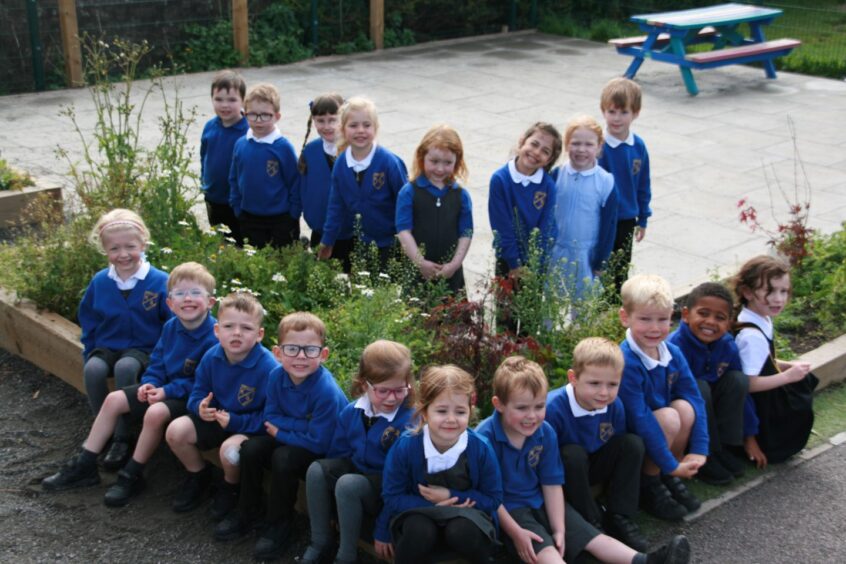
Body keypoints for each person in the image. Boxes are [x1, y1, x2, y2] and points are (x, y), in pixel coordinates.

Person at [478, 356, 690, 564]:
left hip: (540, 499)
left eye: (539, 406)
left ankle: (645, 560)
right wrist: (516, 533)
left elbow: (551, 484)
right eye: (522, 408)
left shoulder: (545, 432)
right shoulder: (485, 439)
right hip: (510, 511)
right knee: (549, 554)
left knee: (593, 537)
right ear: (499, 404)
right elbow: (489, 496)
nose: (532, 416)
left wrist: (559, 528)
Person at [42, 262, 218, 507]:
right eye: (179, 294)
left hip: (190, 397)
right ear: (169, 303)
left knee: (155, 413)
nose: (187, 299)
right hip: (162, 388)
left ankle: (132, 473)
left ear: (210, 302)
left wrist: (166, 390)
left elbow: (203, 382)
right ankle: (85, 464)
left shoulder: (214, 337)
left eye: (196, 293)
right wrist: (149, 383)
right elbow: (157, 361)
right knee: (114, 399)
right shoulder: (171, 326)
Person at [214, 312, 347, 561]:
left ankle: (279, 524)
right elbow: (271, 415)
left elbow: (319, 441)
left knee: (283, 458)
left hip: (323, 452)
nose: (300, 357)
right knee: (251, 448)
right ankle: (247, 509)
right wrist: (301, 424)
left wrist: (285, 432)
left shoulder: (325, 391)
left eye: (309, 350)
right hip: (299, 436)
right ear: (278, 353)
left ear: (323, 354)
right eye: (292, 349)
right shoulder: (276, 376)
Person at [300, 340, 415, 564]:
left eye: (399, 390)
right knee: (317, 470)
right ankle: (320, 540)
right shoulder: (351, 412)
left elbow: (405, 478)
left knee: (348, 484)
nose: (392, 398)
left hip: (386, 486)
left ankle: (346, 556)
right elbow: (337, 453)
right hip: (356, 474)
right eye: (382, 391)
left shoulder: (410, 421)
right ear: (364, 385)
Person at [374, 365, 502, 564]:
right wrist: (382, 530)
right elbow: (392, 496)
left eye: (460, 412)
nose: (451, 419)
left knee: (461, 530)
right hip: (418, 513)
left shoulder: (480, 449)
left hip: (466, 516)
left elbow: (493, 499)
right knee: (419, 530)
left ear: (470, 410)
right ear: (424, 411)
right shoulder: (406, 446)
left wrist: (452, 496)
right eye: (441, 411)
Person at [164, 292, 276, 514]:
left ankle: (229, 486)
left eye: (246, 328)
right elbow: (197, 393)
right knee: (176, 431)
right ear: (217, 331)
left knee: (228, 452)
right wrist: (199, 407)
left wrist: (236, 421)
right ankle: (198, 474)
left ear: (259, 334)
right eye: (228, 326)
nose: (236, 333)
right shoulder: (211, 357)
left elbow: (270, 416)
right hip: (217, 418)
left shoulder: (268, 368)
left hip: (248, 427)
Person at [78, 208, 172, 471]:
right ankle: (102, 426)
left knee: (125, 367)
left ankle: (123, 435)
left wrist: (162, 356)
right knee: (94, 368)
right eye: (114, 249)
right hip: (108, 345)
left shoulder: (159, 281)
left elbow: (170, 323)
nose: (123, 255)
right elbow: (89, 319)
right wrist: (91, 350)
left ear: (143, 243)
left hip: (143, 348)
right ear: (105, 250)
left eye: (130, 246)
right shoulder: (100, 282)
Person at [617, 274, 708, 521]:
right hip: (630, 435)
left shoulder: (672, 351)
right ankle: (650, 482)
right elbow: (639, 417)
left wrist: (700, 448)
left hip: (657, 431)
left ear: (672, 318)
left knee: (685, 408)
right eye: (645, 319)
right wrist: (669, 462)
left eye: (663, 319)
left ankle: (668, 475)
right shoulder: (626, 361)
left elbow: (693, 396)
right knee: (669, 416)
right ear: (625, 317)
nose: (655, 328)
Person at [546, 338, 648, 551]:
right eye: (594, 384)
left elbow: (615, 445)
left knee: (631, 444)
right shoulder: (553, 409)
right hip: (563, 476)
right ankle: (590, 521)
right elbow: (546, 461)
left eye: (612, 385)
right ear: (573, 378)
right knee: (572, 454)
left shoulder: (614, 406)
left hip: (593, 467)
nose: (604, 392)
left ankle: (619, 515)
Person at [731, 255, 817, 467]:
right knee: (799, 403)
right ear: (747, 292)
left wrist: (785, 365)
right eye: (770, 291)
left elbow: (761, 359)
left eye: (783, 291)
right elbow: (748, 384)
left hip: (760, 389)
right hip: (756, 403)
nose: (778, 299)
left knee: (805, 379)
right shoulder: (752, 336)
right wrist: (787, 376)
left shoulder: (758, 317)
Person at [667, 282, 748, 485]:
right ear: (686, 314)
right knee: (699, 387)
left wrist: (751, 436)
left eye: (720, 318)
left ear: (729, 323)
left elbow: (740, 391)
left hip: (711, 408)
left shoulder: (727, 345)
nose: (710, 322)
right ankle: (706, 455)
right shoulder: (674, 347)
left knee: (737, 380)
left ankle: (725, 448)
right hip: (683, 413)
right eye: (703, 313)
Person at [318, 97, 408, 273]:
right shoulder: (341, 164)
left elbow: (406, 203)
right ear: (343, 129)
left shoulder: (389, 163)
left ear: (375, 128)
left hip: (392, 242)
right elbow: (335, 206)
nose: (360, 131)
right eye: (353, 125)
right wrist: (327, 241)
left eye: (366, 125)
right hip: (361, 241)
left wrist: (409, 241)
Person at [396, 124, 473, 296]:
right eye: (434, 161)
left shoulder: (461, 196)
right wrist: (420, 262)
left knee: (453, 320)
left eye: (448, 163)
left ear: (457, 162)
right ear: (422, 157)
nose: (440, 169)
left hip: (451, 274)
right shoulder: (409, 192)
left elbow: (466, 233)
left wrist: (454, 265)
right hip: (417, 271)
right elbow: (403, 231)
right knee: (416, 318)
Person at [550, 115, 617, 301]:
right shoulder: (557, 175)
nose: (581, 149)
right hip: (556, 251)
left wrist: (601, 261)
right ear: (566, 145)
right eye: (576, 143)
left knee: (582, 307)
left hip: (586, 254)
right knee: (550, 302)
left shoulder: (605, 182)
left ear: (599, 146)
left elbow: (609, 225)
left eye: (588, 144)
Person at [228, 83, 301, 249]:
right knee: (256, 261)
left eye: (265, 115)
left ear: (277, 116)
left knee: (283, 260)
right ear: (244, 114)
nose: (258, 121)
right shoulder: (241, 144)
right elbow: (234, 177)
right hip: (249, 216)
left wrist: (293, 213)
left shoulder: (283, 148)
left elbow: (295, 182)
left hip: (281, 218)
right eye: (252, 115)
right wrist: (237, 206)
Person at [597, 78, 651, 293]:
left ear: (635, 113)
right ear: (603, 111)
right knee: (600, 269)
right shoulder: (598, 146)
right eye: (611, 112)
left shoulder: (638, 146)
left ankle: (615, 313)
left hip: (627, 219)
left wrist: (644, 217)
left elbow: (643, 184)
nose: (616, 118)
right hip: (602, 219)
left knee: (620, 270)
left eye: (623, 112)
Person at [488, 122, 561, 280]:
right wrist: (515, 264)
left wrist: (536, 264)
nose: (536, 152)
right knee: (505, 304)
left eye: (545, 151)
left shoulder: (548, 185)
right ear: (522, 142)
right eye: (534, 144)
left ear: (549, 160)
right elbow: (501, 227)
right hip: (507, 259)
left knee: (532, 305)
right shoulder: (500, 179)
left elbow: (546, 226)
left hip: (536, 262)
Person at [200, 69, 248, 245]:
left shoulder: (248, 131)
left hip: (237, 201)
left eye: (232, 100)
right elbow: (204, 155)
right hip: (213, 197)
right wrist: (203, 180)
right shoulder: (209, 127)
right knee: (221, 241)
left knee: (241, 242)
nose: (225, 105)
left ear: (243, 101)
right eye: (218, 99)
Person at [297, 93, 344, 248]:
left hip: (349, 232)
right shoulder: (310, 151)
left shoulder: (354, 151)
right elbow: (303, 187)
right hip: (319, 227)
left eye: (332, 120)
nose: (327, 126)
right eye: (320, 121)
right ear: (313, 121)